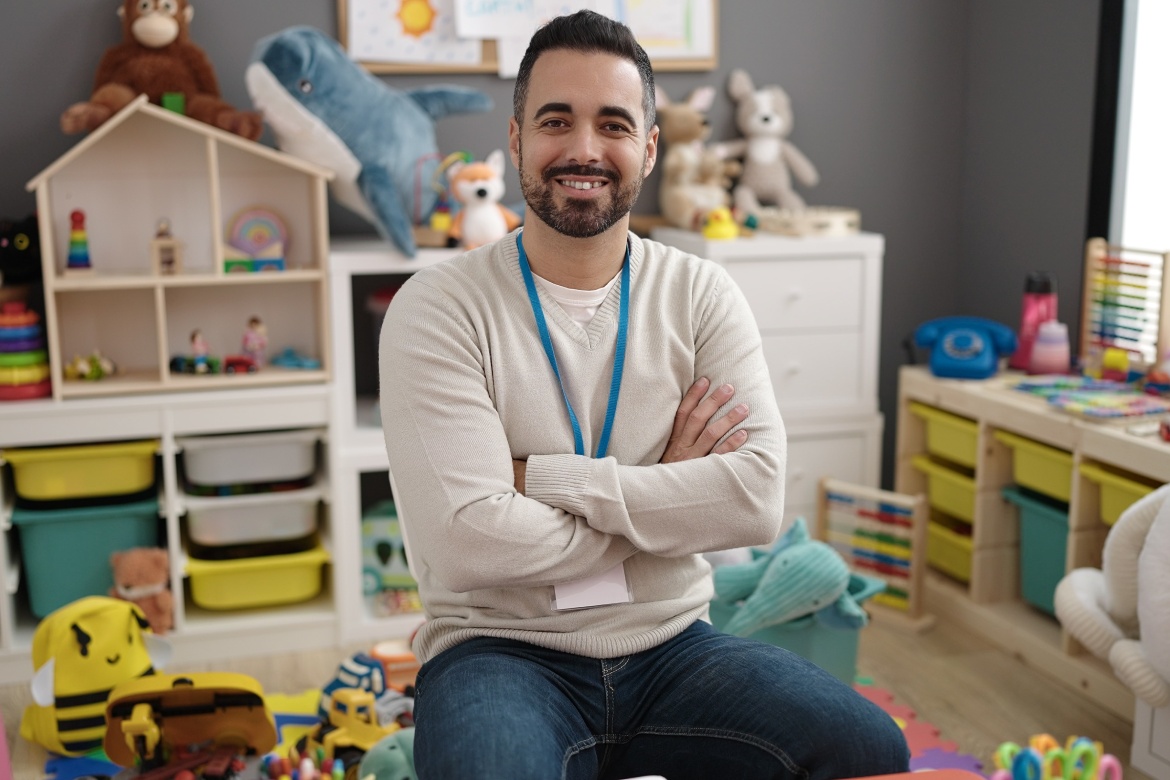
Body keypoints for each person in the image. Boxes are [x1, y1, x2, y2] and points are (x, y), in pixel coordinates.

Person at [379, 10, 909, 779]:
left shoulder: (702, 294)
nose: (584, 149)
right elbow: (467, 542)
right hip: (498, 651)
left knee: (870, 748)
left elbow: (755, 502)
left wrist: (546, 480)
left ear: (650, 148)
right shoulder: (437, 306)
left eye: (614, 124)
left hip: (672, 644)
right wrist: (666, 497)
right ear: (519, 138)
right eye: (556, 120)